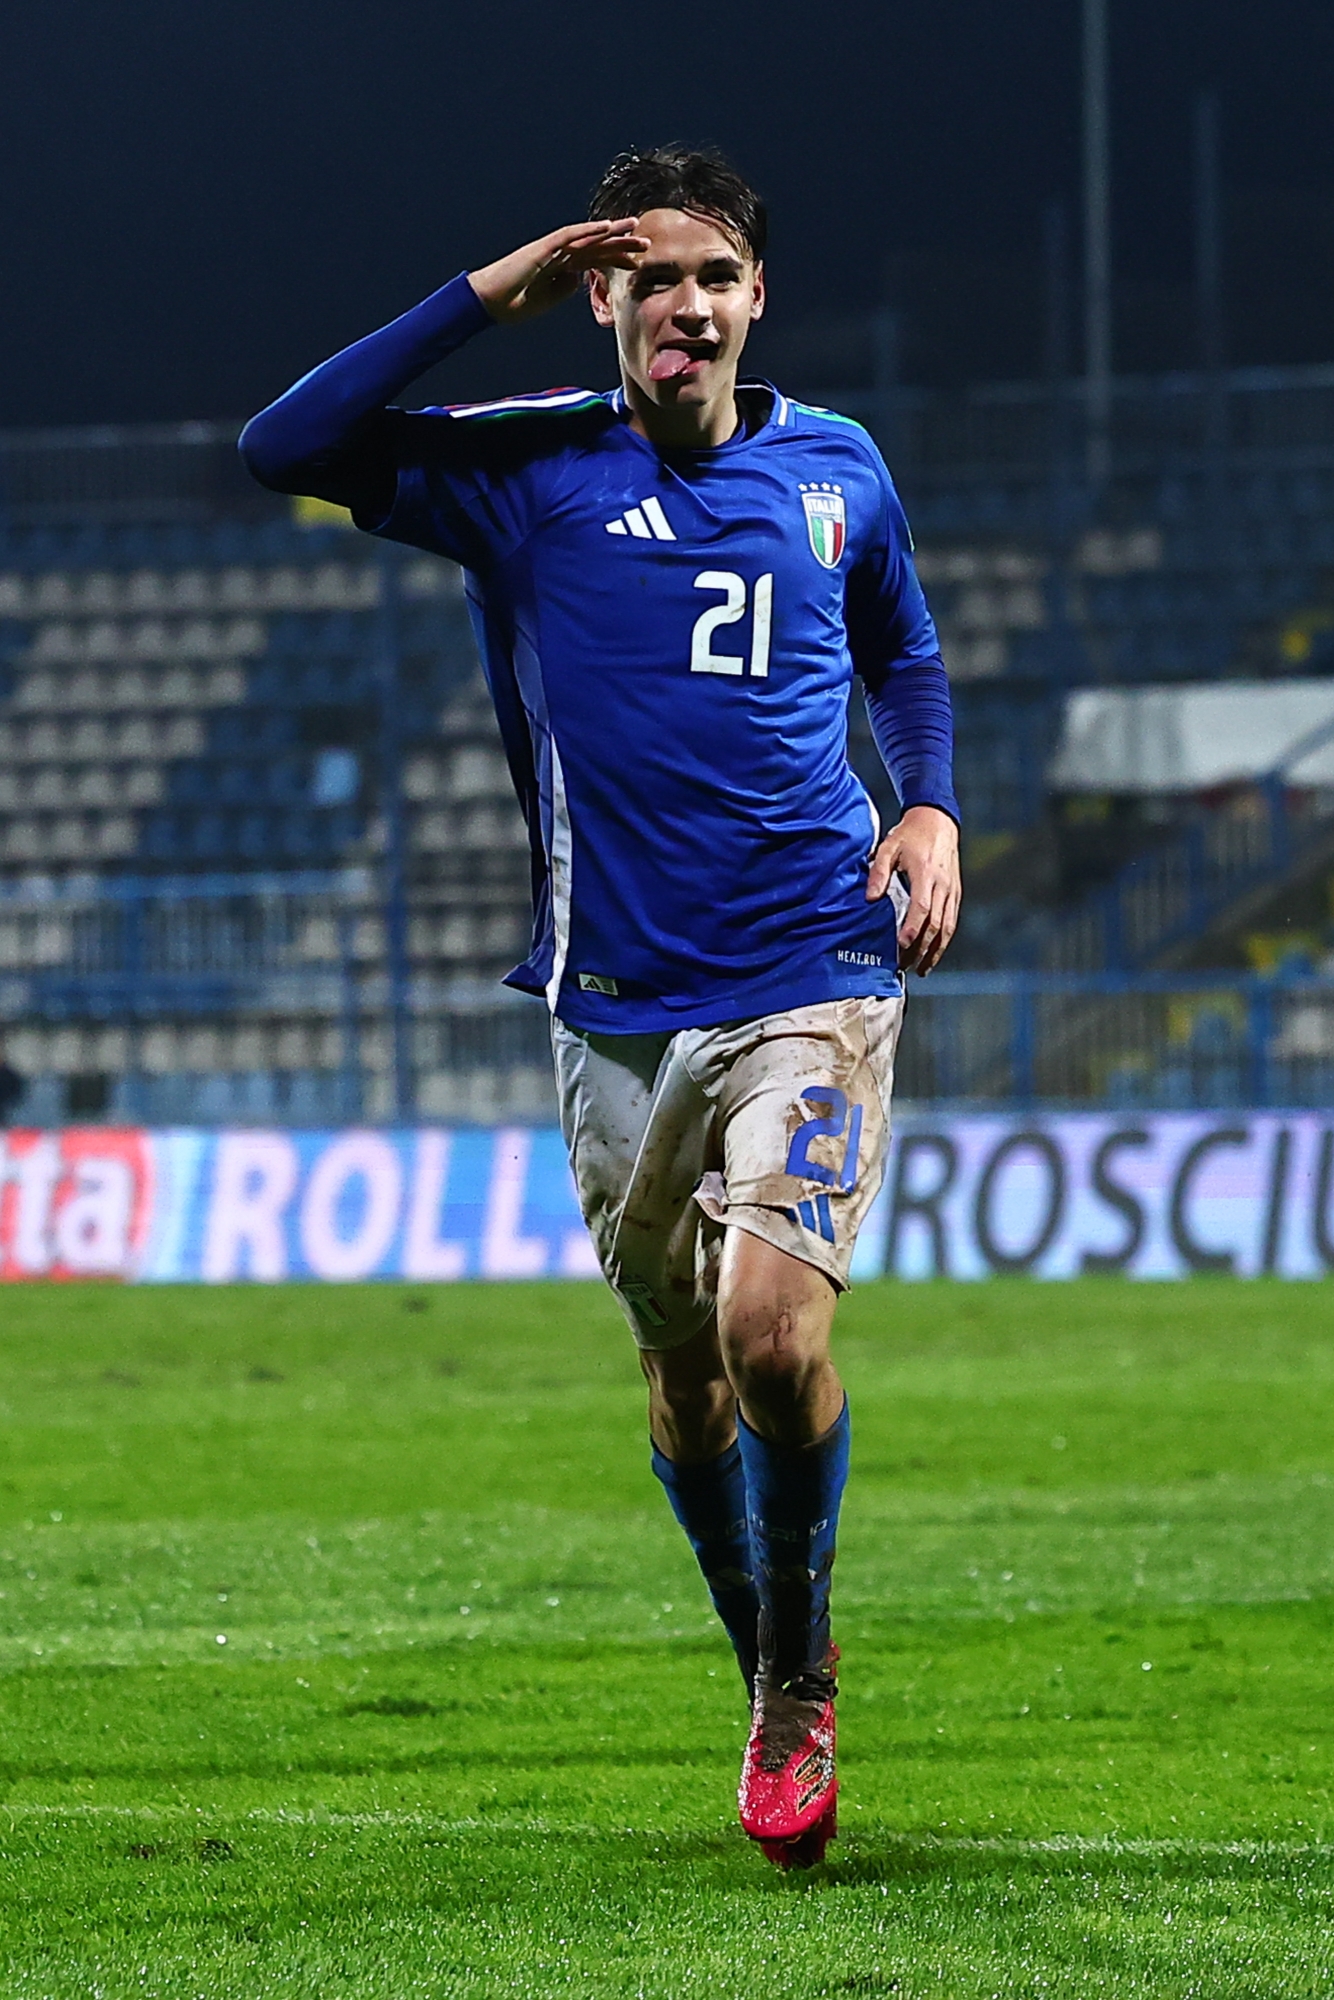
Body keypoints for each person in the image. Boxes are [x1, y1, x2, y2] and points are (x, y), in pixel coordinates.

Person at [241, 145, 961, 1870]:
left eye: (712, 275)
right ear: (603, 301)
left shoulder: (837, 466)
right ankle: (762, 1654)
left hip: (815, 965)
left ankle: (797, 1679)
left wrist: (927, 802)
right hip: (616, 1003)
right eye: (650, 280)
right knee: (680, 1377)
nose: (684, 306)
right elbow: (284, 446)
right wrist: (482, 291)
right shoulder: (527, 468)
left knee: (769, 1335)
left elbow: (903, 651)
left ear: (755, 297)